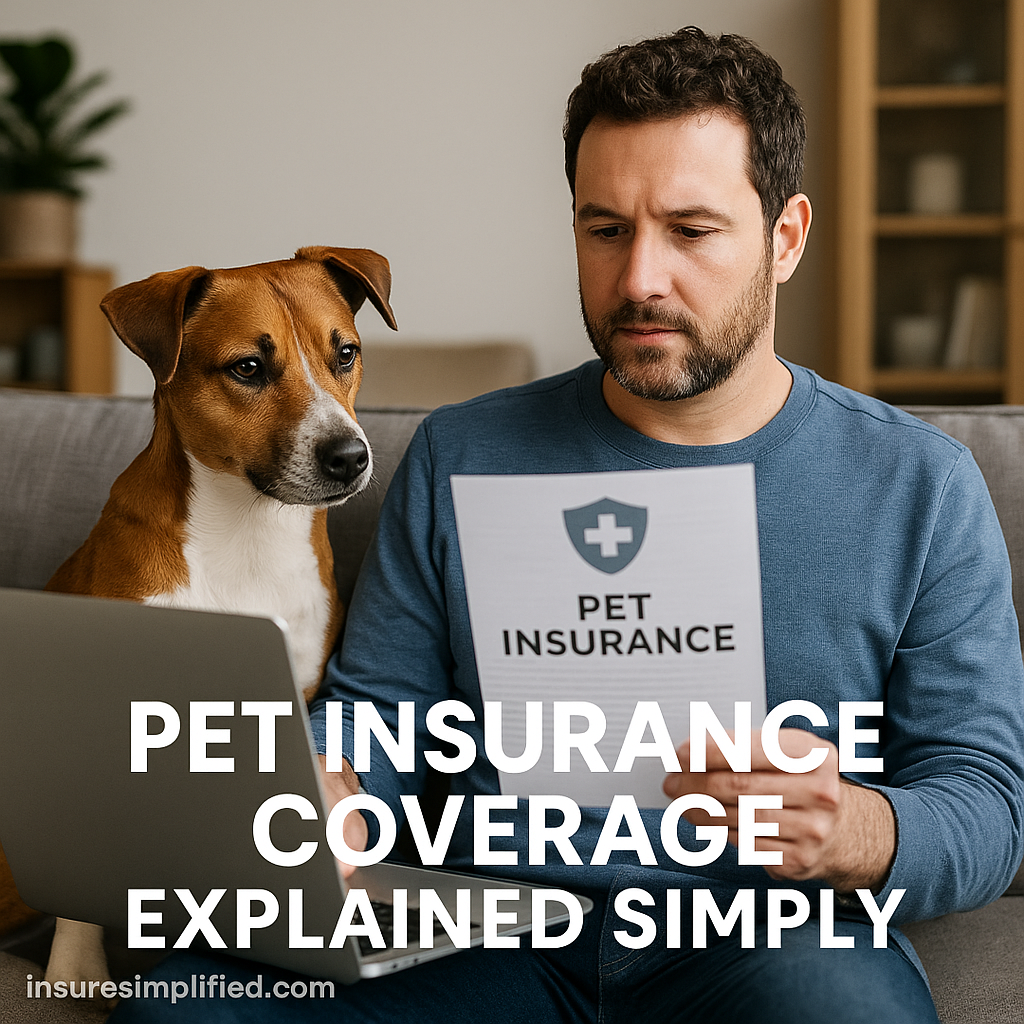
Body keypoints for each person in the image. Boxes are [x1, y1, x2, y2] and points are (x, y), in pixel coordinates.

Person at [111, 26, 1024, 1023]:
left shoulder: (918, 485)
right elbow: (383, 713)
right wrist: (335, 789)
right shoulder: (462, 453)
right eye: (605, 229)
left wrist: (854, 826)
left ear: (786, 237)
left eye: (690, 230)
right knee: (178, 1007)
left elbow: (984, 798)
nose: (638, 279)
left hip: (766, 933)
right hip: (493, 934)